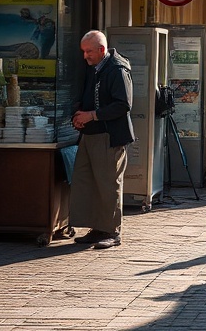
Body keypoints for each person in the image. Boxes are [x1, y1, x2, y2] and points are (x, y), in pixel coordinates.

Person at [71, 30, 135, 249]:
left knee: (108, 184)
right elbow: (87, 96)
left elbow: (123, 104)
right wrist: (80, 116)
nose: (85, 56)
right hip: (90, 134)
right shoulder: (94, 68)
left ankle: (111, 231)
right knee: (88, 182)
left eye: (89, 51)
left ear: (101, 50)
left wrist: (92, 115)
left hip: (109, 136)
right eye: (83, 51)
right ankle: (97, 228)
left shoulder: (117, 69)